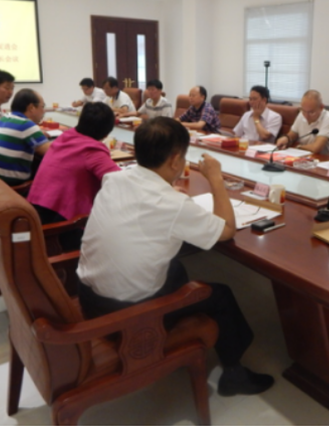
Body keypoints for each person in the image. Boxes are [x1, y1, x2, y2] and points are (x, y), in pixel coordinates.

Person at [77, 116, 274, 396]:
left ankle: (182, 333)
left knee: (176, 268)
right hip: (126, 315)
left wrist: (169, 192)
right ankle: (234, 373)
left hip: (89, 297)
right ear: (174, 161)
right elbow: (227, 230)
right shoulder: (173, 204)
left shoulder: (114, 179)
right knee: (221, 295)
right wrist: (215, 179)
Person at [27, 102, 120, 249]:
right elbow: (120, 181)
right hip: (62, 226)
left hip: (38, 213)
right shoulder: (91, 149)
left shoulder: (65, 137)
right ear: (106, 133)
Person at [0, 89, 50, 185]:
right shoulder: (27, 125)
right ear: (31, 107)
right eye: (42, 106)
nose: (44, 111)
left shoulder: (5, 118)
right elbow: (52, 152)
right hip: (11, 185)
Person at [275, 89, 329, 155]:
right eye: (303, 111)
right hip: (303, 156)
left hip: (322, 159)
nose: (306, 116)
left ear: (321, 107)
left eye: (311, 112)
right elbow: (292, 135)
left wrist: (298, 147)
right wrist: (285, 139)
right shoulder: (301, 114)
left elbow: (316, 148)